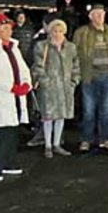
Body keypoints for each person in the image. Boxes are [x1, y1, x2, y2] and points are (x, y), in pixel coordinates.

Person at [0, 13, 33, 181]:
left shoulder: (13, 48)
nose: (8, 31)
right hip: (2, 97)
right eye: (4, 29)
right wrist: (11, 87)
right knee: (2, 133)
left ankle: (9, 163)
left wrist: (26, 83)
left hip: (15, 97)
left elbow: (23, 69)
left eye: (9, 28)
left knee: (12, 131)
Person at [31, 19, 80, 158]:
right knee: (48, 117)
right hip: (49, 88)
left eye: (60, 31)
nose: (57, 34)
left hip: (65, 88)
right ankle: (47, 145)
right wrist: (45, 82)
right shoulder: (42, 46)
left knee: (61, 116)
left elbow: (76, 65)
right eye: (55, 31)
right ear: (50, 32)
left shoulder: (71, 47)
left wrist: (74, 81)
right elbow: (38, 67)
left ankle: (57, 144)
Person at [73, 3, 108, 152]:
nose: (100, 17)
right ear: (90, 16)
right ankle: (86, 139)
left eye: (102, 14)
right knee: (88, 111)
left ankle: (105, 138)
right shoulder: (81, 32)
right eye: (96, 14)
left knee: (107, 111)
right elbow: (74, 54)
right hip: (89, 76)